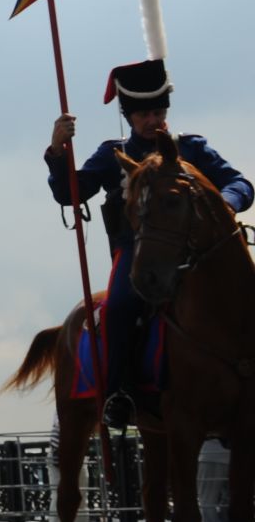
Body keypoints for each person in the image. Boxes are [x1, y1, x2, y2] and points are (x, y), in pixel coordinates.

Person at [47, 58, 249, 427]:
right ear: (130, 118)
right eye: (145, 115)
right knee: (121, 305)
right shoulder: (113, 154)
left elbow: (241, 184)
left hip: (197, 254)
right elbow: (69, 193)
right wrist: (58, 151)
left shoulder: (193, 149)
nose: (154, 120)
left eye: (158, 111)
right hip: (141, 253)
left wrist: (224, 205)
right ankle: (120, 392)